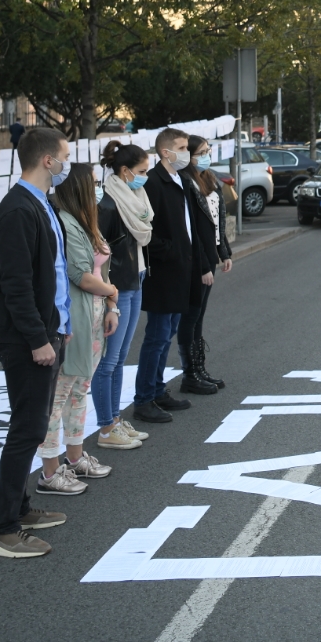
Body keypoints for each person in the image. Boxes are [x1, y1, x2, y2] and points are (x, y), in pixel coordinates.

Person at [0, 127, 73, 558]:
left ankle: (18, 507)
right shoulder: (19, 209)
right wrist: (38, 338)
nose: (67, 163)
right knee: (28, 429)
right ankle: (1, 528)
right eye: (64, 156)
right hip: (25, 339)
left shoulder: (41, 203)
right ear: (47, 161)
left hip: (46, 330)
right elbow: (15, 285)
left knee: (31, 424)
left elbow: (52, 272)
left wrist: (60, 323)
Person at [36, 163, 117, 494]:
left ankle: (75, 457)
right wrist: (112, 293)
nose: (99, 189)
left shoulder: (86, 221)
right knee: (59, 397)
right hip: (75, 320)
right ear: (78, 188)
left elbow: (101, 271)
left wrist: (111, 306)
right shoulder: (66, 224)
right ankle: (49, 471)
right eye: (94, 183)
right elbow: (80, 275)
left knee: (79, 390)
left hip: (94, 317)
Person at [132, 128, 212, 424]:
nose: (186, 153)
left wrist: (197, 262)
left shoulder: (180, 180)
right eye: (181, 148)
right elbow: (145, 230)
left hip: (182, 270)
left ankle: (157, 390)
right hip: (164, 273)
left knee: (167, 335)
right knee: (156, 337)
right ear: (165, 152)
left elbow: (190, 228)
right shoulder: (154, 182)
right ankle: (144, 399)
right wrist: (171, 251)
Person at [93, 142, 153, 451]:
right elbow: (98, 254)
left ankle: (115, 420)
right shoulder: (107, 203)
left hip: (136, 277)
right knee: (108, 360)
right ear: (125, 171)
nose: (145, 177)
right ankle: (106, 428)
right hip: (117, 286)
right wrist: (109, 298)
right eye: (142, 171)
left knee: (119, 359)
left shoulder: (136, 196)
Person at [177, 135, 231, 394]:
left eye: (208, 151)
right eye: (201, 152)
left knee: (199, 317)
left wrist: (224, 251)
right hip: (197, 260)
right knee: (190, 317)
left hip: (210, 255)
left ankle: (199, 369)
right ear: (188, 156)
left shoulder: (209, 178)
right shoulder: (185, 183)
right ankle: (190, 374)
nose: (207, 156)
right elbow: (192, 230)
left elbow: (217, 220)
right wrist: (203, 267)